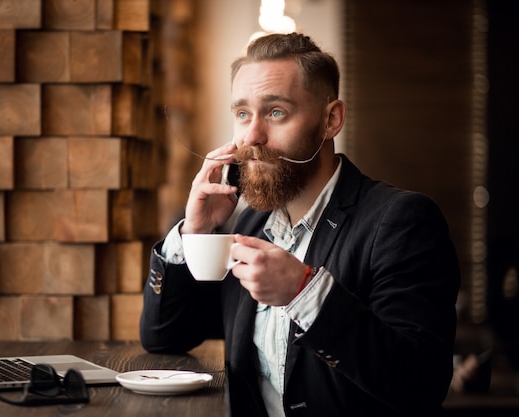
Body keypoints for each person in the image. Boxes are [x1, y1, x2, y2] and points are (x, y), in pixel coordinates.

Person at [140, 32, 460, 416]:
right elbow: (164, 337)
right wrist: (193, 232)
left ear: (331, 119)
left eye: (276, 112)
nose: (252, 136)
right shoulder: (250, 222)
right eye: (242, 114)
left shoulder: (402, 220)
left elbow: (422, 384)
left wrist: (303, 291)